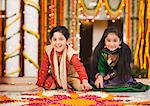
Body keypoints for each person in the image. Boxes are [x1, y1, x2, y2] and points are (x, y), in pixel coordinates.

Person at [90, 27, 150, 91]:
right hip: (105, 75)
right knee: (95, 82)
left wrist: (109, 76)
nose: (111, 44)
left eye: (115, 41)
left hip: (120, 75)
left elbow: (122, 69)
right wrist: (101, 76)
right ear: (104, 41)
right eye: (108, 40)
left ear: (120, 41)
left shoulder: (125, 51)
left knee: (125, 82)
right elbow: (101, 67)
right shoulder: (102, 53)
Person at [36, 26, 92, 91]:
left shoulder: (71, 53)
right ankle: (61, 84)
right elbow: (44, 68)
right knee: (48, 85)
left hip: (71, 77)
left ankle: (70, 85)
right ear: (50, 41)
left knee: (79, 87)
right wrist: (40, 85)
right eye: (54, 39)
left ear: (67, 40)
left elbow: (80, 68)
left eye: (61, 39)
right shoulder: (49, 51)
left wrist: (85, 82)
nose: (58, 43)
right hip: (55, 77)